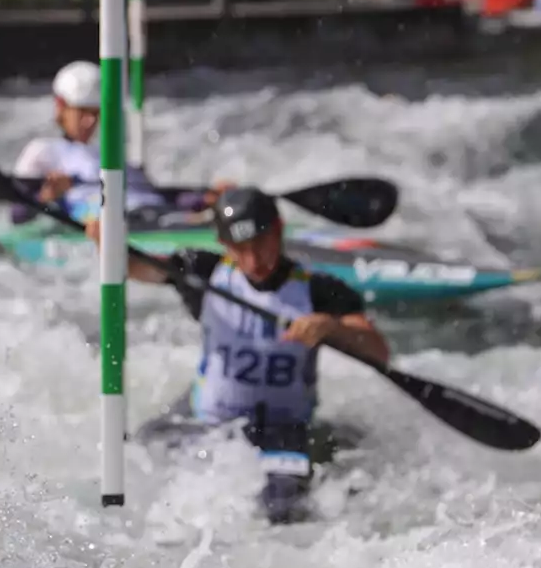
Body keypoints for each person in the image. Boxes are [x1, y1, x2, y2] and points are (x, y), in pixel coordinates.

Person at [87, 187, 390, 524]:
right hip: (207, 421)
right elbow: (131, 267)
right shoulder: (201, 271)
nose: (253, 260)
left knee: (282, 516)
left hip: (284, 428)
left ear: (278, 230)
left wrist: (333, 327)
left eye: (260, 243)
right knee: (138, 468)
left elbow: (378, 351)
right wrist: (106, 240)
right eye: (239, 249)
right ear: (222, 243)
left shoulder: (320, 291)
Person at [10, 60, 233, 226]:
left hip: (155, 218)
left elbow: (159, 195)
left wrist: (207, 197)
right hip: (118, 224)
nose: (90, 121)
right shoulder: (43, 151)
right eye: (82, 112)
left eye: (96, 113)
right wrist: (46, 197)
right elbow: (17, 214)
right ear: (61, 106)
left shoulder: (110, 155)